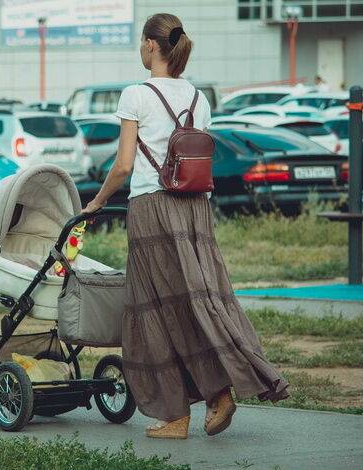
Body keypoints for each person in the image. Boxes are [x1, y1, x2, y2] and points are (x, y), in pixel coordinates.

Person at [83, 13, 289, 439]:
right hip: (195, 210)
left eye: (143, 42)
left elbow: (123, 165)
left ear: (152, 46)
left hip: (154, 209)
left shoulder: (136, 95)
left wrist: (97, 202)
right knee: (199, 300)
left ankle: (177, 414)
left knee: (155, 310)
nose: (141, 49)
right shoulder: (198, 98)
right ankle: (218, 393)